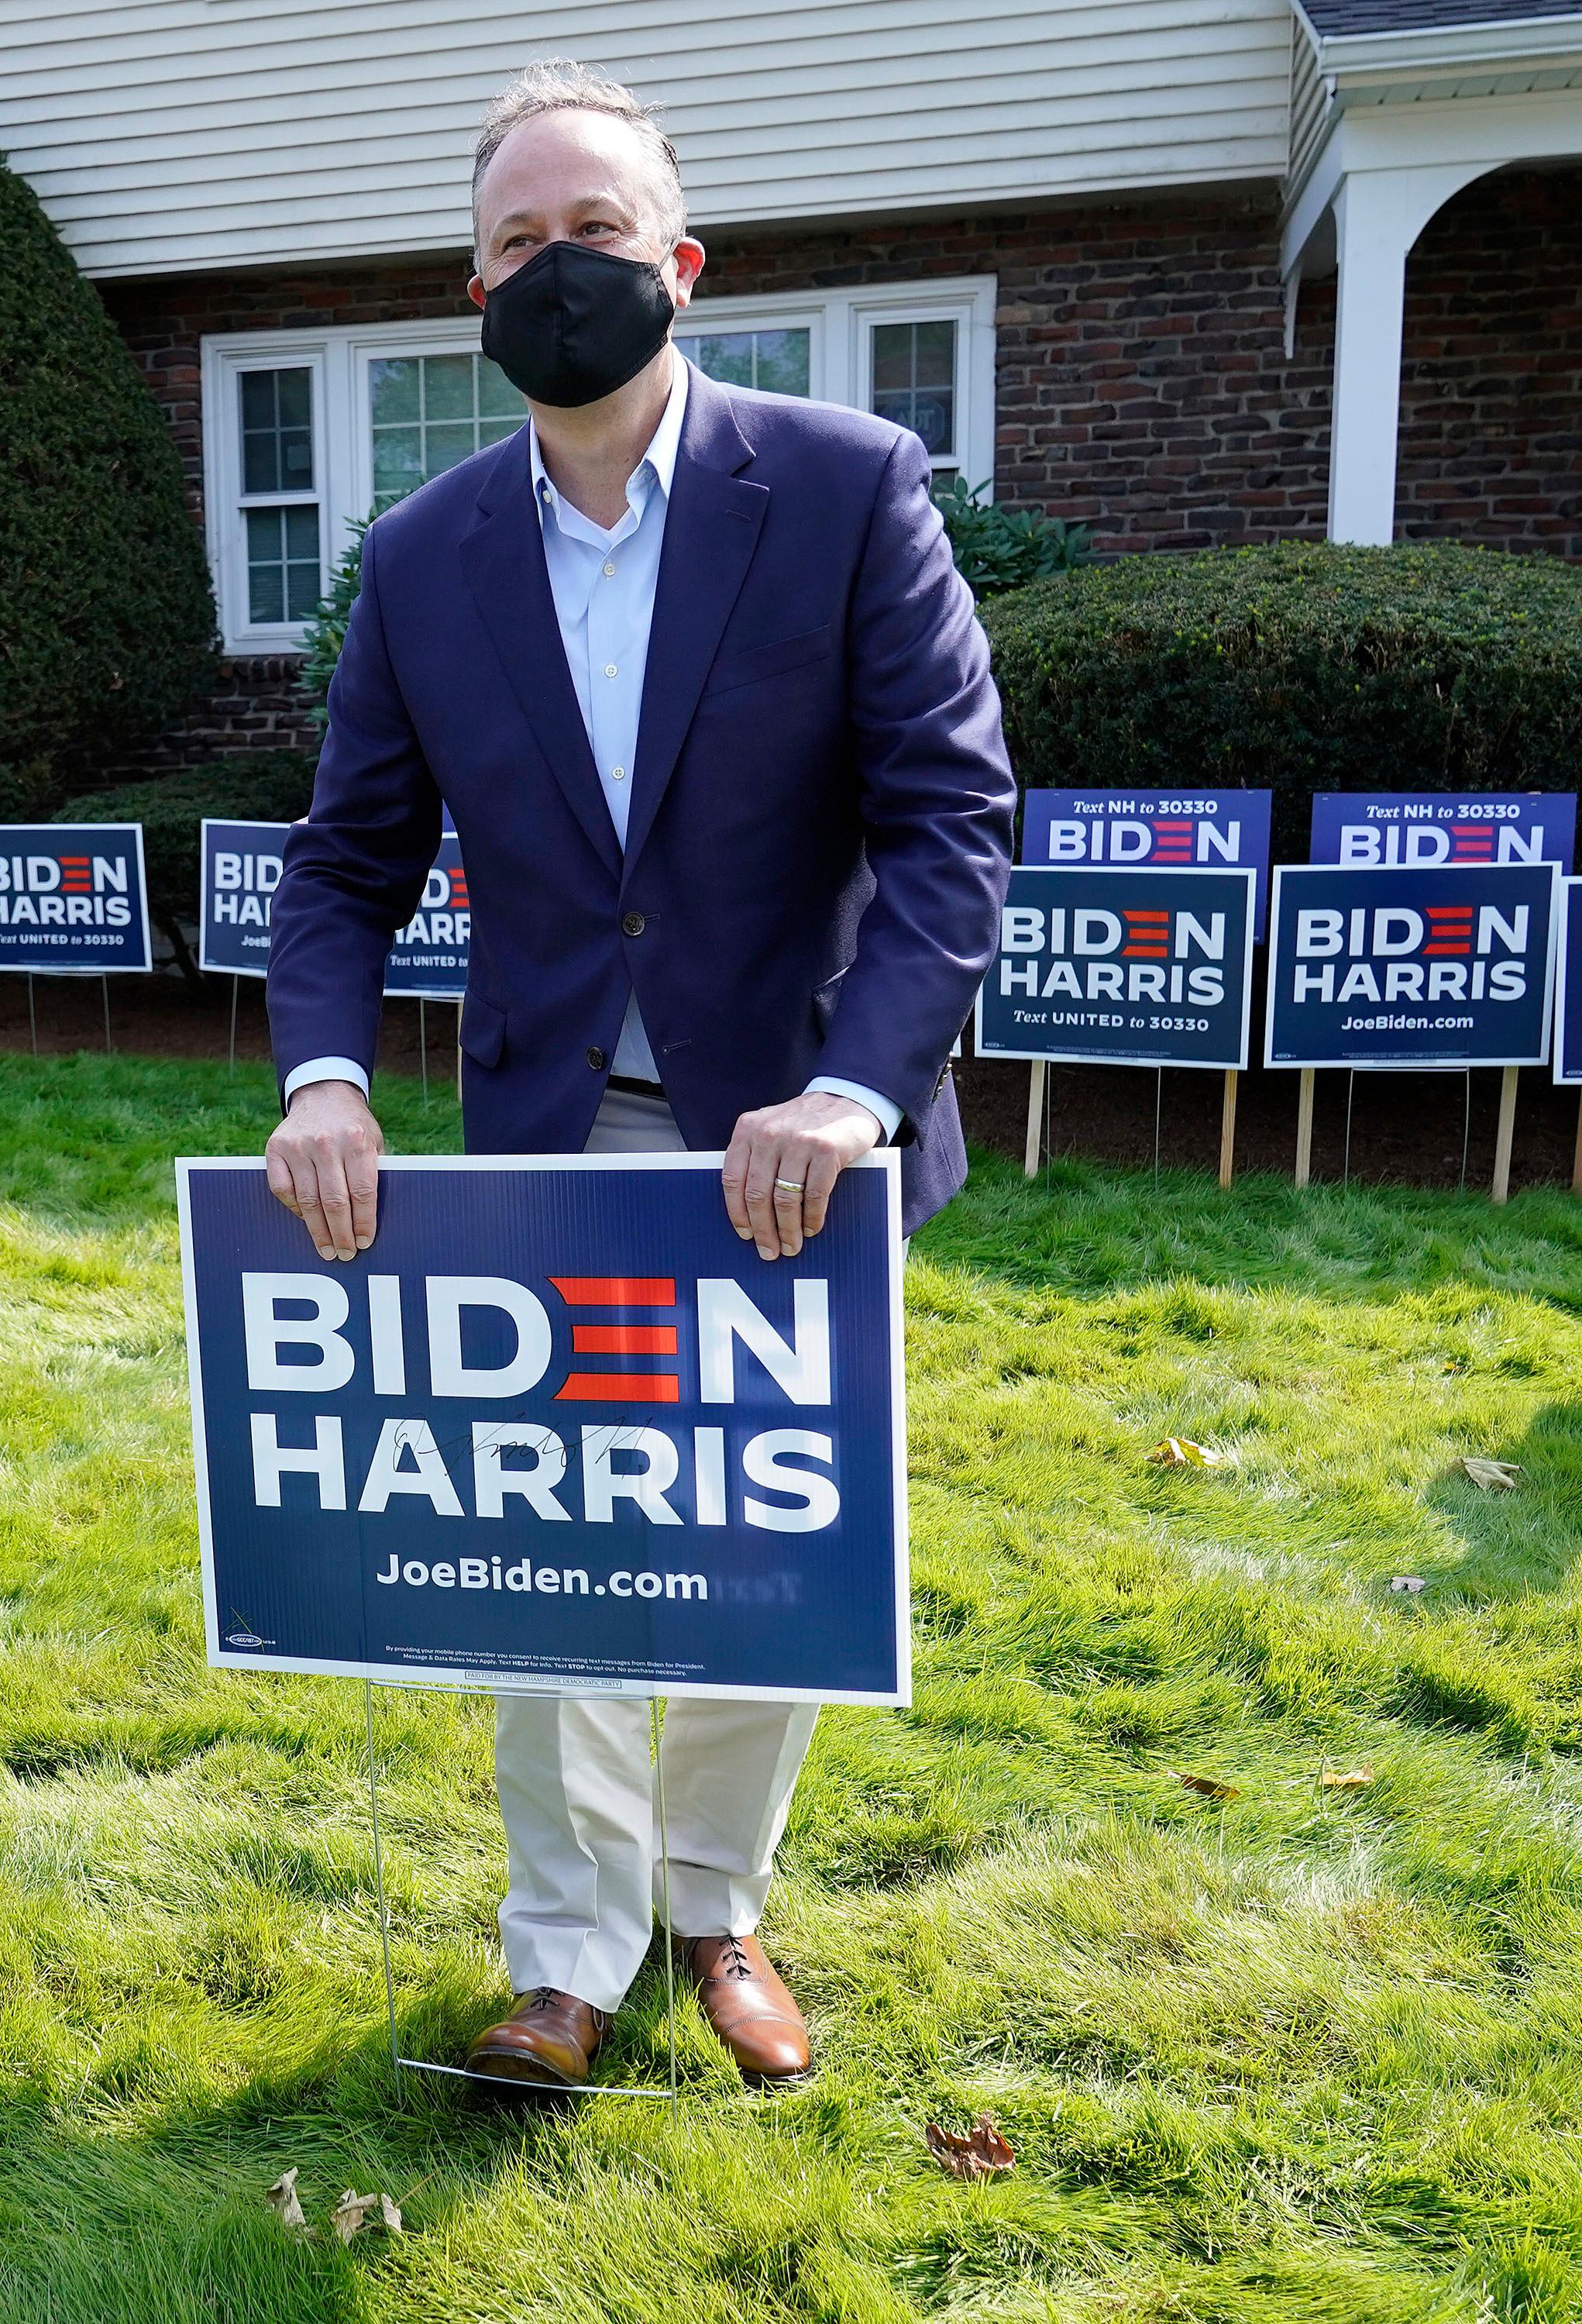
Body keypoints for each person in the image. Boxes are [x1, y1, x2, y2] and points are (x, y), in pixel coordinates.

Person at [263, 62, 1012, 2089]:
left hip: (799, 1131)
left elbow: (951, 822)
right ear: (472, 285)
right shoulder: (419, 556)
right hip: (552, 1134)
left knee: (759, 1535)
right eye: (517, 239)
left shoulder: (845, 487)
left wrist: (852, 1092)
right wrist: (322, 1072)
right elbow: (345, 857)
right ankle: (565, 1950)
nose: (554, 266)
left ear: (676, 265)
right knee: (557, 1541)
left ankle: (715, 1902)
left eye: (592, 231)